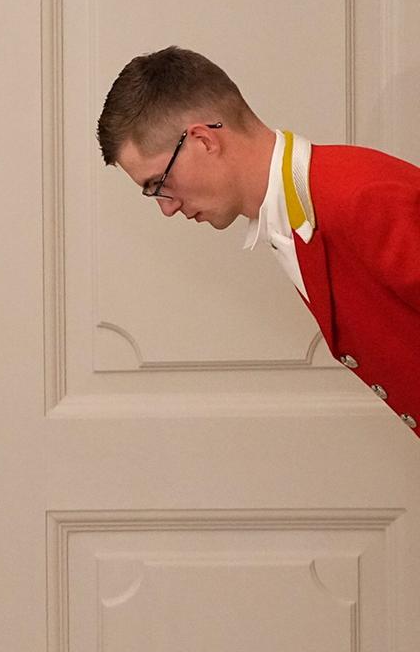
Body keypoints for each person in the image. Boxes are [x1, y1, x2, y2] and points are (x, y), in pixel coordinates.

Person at [99, 46, 420, 438]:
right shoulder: (302, 211)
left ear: (202, 140)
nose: (166, 208)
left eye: (158, 184)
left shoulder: (359, 197)